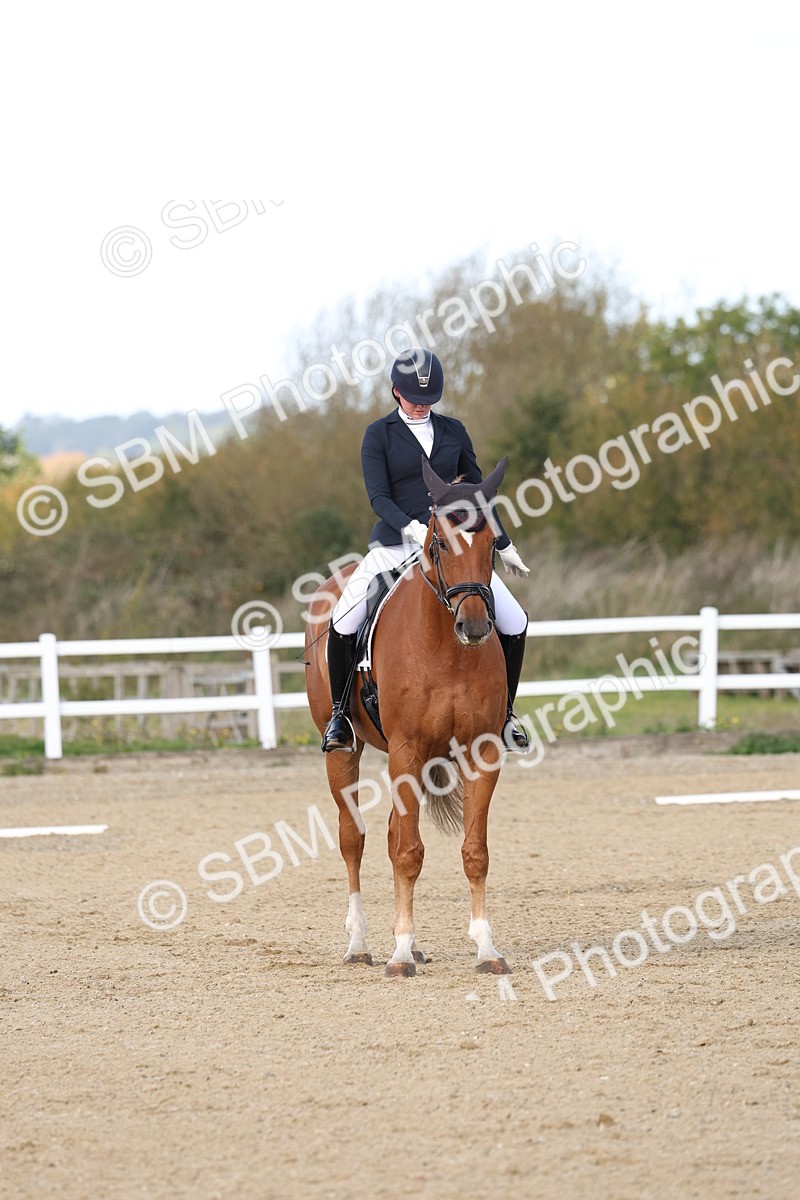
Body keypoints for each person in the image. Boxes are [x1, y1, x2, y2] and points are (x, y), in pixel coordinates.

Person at [321, 347, 531, 754]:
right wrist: (413, 528)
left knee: (515, 620)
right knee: (344, 617)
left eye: (429, 401)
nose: (421, 407)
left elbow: (479, 495)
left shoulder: (454, 431)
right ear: (396, 392)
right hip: (395, 544)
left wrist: (504, 544)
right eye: (414, 400)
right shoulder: (378, 435)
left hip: (454, 548)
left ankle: (505, 715)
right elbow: (378, 497)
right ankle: (340, 716)